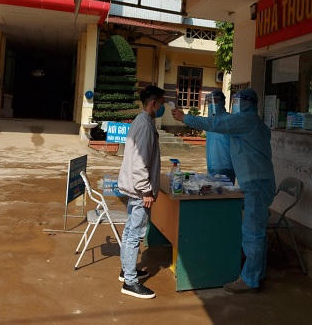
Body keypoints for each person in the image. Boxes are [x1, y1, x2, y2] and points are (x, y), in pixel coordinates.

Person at [172, 88, 276, 293]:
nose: (234, 105)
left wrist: (185, 118)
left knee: (252, 232)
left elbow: (215, 124)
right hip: (260, 180)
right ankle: (257, 272)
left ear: (247, 102)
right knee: (257, 230)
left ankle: (249, 280)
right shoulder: (256, 123)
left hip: (254, 182)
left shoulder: (244, 120)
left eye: (237, 101)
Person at [117, 85, 165, 299]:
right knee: (135, 234)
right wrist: (146, 190)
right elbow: (140, 163)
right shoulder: (145, 125)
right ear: (153, 103)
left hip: (134, 188)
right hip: (139, 191)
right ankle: (130, 282)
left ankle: (126, 270)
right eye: (161, 103)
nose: (162, 107)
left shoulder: (141, 120)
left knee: (129, 231)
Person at [205, 90, 235, 183]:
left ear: (222, 102)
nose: (211, 104)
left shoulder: (229, 120)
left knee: (225, 190)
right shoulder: (209, 121)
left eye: (214, 101)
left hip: (226, 167)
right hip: (211, 166)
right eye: (209, 101)